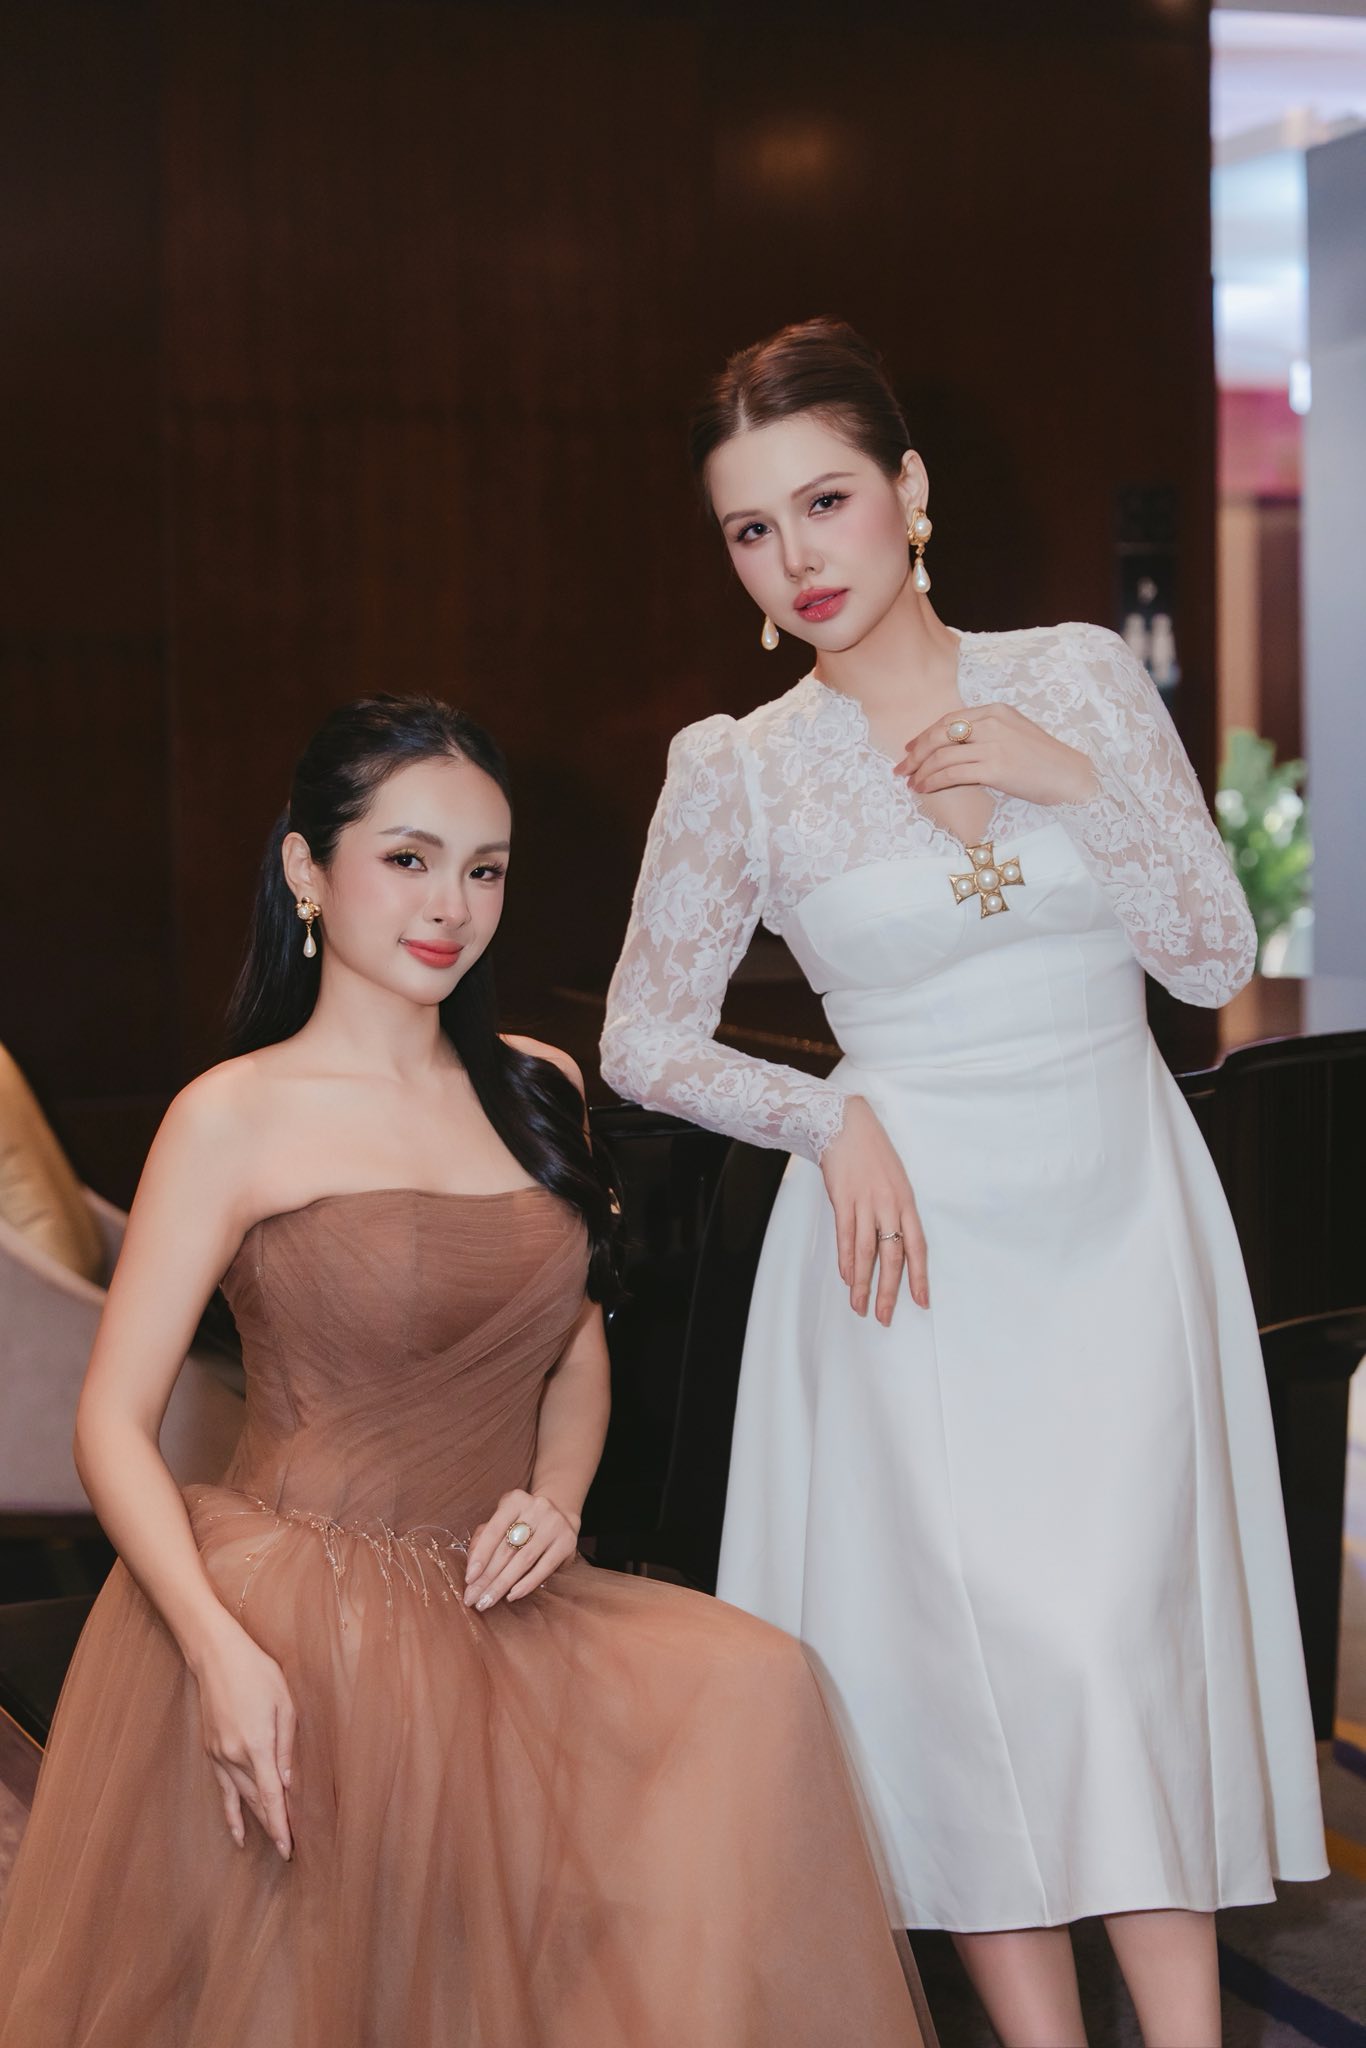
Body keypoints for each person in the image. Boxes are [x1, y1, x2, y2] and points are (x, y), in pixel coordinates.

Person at [0, 695, 934, 2048]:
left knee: (761, 1688)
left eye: (484, 869)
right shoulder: (232, 1116)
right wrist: (218, 1651)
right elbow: (109, 1422)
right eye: (409, 859)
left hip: (503, 1584)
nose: (452, 906)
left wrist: (556, 1500)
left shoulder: (536, 1085)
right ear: (308, 869)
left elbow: (575, 1360)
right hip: (296, 1596)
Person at [600, 319, 1328, 2048]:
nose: (795, 557)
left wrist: (1066, 777)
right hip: (910, 1252)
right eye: (750, 528)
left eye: (824, 501)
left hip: (1116, 1217)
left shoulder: (1075, 676)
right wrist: (826, 1121)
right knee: (980, 1667)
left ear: (907, 489)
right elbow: (641, 1038)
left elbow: (1209, 950)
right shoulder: (739, 768)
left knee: (1116, 1648)